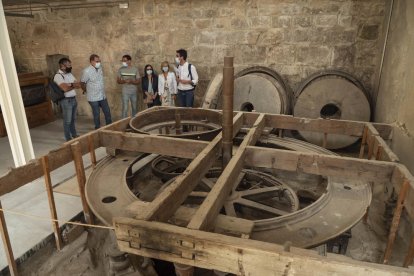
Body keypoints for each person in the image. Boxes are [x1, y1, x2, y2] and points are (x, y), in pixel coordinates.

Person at [81, 54, 112, 129]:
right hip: (93, 97)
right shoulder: (87, 71)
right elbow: (82, 82)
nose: (99, 62)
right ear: (91, 61)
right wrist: (85, 90)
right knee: (96, 114)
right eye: (97, 61)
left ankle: (110, 126)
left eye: (99, 61)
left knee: (107, 112)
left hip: (102, 95)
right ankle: (97, 128)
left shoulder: (100, 68)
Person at [54, 57, 81, 141]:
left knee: (73, 119)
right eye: (68, 65)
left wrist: (70, 85)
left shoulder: (69, 74)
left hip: (73, 99)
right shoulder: (58, 76)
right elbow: (64, 89)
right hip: (66, 101)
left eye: (70, 65)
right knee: (67, 121)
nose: (70, 66)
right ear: (62, 66)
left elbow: (78, 85)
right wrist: (72, 85)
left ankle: (74, 134)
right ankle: (68, 138)